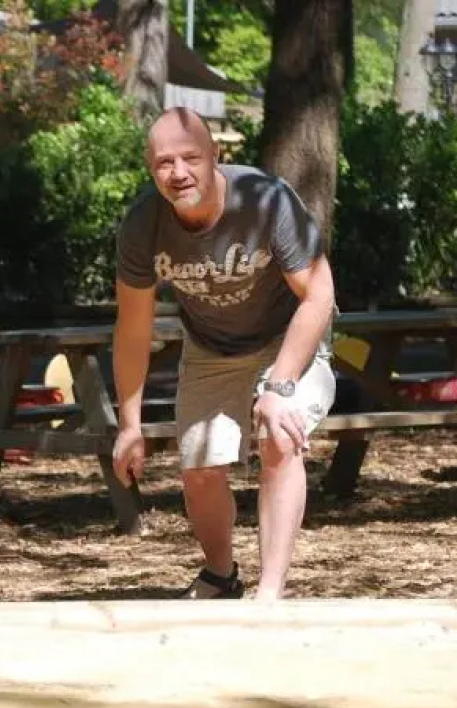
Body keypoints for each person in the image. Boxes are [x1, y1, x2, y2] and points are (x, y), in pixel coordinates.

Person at [111, 107, 337, 601]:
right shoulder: (143, 224)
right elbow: (132, 329)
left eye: (190, 157)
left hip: (288, 341)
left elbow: (319, 295)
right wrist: (129, 425)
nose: (178, 173)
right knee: (200, 470)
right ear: (151, 169)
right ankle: (220, 573)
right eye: (164, 163)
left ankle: (270, 592)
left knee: (279, 433)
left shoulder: (266, 201)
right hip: (211, 348)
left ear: (215, 155)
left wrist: (279, 386)